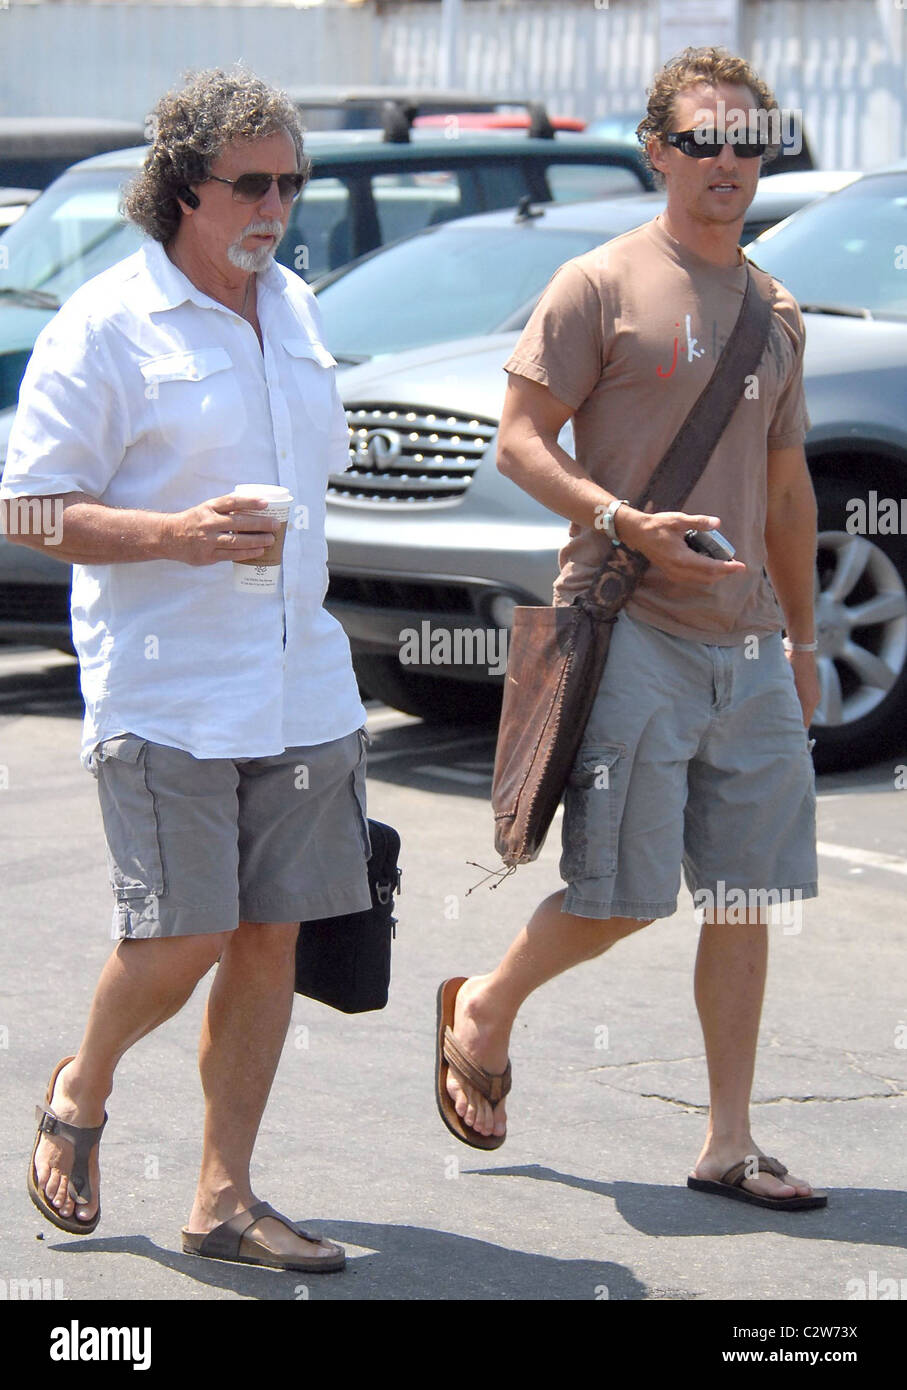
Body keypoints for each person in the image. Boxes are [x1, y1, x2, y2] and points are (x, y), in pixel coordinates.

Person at [436, 47, 827, 1211]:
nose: (729, 161)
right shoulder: (597, 284)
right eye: (704, 139)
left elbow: (794, 491)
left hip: (748, 642)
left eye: (748, 140)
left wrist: (802, 645)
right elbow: (516, 437)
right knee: (618, 895)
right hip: (626, 627)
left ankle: (728, 1140)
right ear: (657, 150)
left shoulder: (776, 309)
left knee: (747, 896)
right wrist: (618, 519)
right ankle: (483, 1007)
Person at [2, 68, 373, 1271]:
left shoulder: (299, 310)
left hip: (300, 677)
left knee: (269, 936)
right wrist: (174, 535)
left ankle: (223, 1199)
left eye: (290, 182)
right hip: (166, 685)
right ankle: (83, 1083)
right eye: (250, 183)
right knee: (181, 936)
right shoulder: (105, 322)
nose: (275, 205)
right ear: (181, 188)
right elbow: (29, 506)